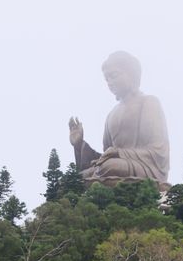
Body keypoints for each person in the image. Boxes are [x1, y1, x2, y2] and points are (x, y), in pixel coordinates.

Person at [69, 51, 170, 190]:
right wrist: (79, 144)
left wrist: (120, 153)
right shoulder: (112, 114)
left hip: (144, 167)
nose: (110, 82)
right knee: (79, 176)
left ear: (132, 74)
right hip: (116, 166)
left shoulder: (148, 103)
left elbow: (157, 151)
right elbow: (104, 157)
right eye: (106, 79)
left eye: (114, 76)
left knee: (109, 167)